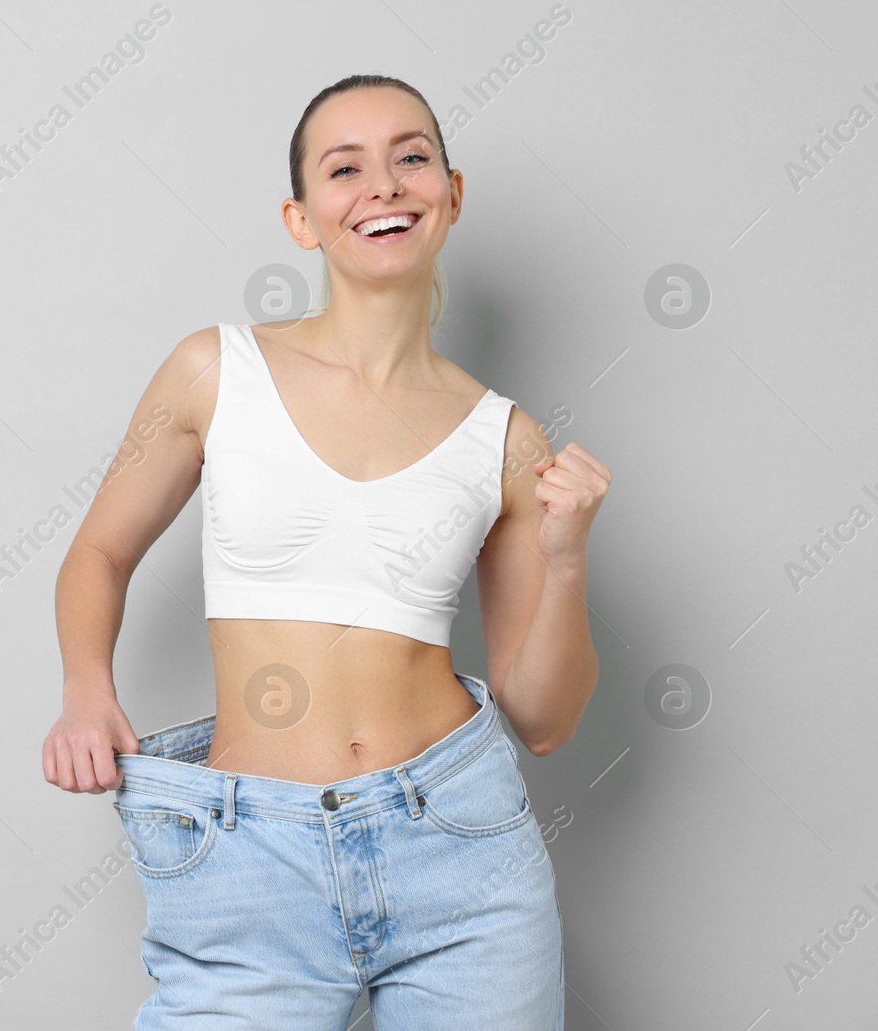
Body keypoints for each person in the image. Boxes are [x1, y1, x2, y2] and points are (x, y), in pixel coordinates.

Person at [41, 74, 611, 1029]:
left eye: (411, 157)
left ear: (452, 194)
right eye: (345, 169)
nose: (383, 185)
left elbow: (545, 718)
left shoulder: (507, 439)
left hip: (461, 854)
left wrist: (564, 558)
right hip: (248, 858)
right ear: (302, 219)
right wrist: (85, 689)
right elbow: (98, 550)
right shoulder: (213, 370)